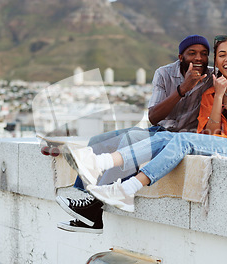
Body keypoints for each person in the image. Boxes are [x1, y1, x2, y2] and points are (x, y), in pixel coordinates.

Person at [62, 34, 227, 214]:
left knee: (173, 138)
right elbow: (212, 134)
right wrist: (220, 95)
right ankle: (94, 178)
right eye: (222, 54)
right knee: (147, 137)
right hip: (213, 142)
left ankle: (121, 187)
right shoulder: (211, 91)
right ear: (217, 61)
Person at [56, 35, 214, 233]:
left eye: (204, 54)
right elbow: (154, 117)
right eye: (192, 53)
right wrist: (183, 89)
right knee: (99, 140)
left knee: (129, 140)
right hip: (159, 129)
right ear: (181, 56)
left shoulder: (212, 77)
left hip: (180, 138)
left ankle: (92, 209)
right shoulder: (164, 74)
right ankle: (88, 206)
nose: (199, 58)